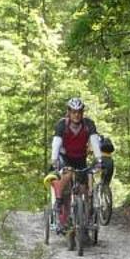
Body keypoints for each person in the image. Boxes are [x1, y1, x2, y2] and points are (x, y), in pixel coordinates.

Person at [47, 97, 103, 231]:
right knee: (67, 177)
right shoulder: (62, 125)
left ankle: (86, 218)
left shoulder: (88, 124)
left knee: (84, 189)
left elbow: (94, 141)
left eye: (79, 112)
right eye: (73, 112)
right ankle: (59, 202)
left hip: (80, 158)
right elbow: (56, 143)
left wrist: (99, 159)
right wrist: (54, 160)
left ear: (82, 112)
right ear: (68, 112)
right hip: (65, 157)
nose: (76, 115)